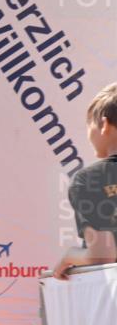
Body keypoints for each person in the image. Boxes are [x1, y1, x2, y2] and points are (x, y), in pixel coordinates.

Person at [53, 82, 117, 279]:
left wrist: (69, 256)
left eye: (89, 125)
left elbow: (101, 257)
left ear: (104, 125)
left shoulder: (92, 178)